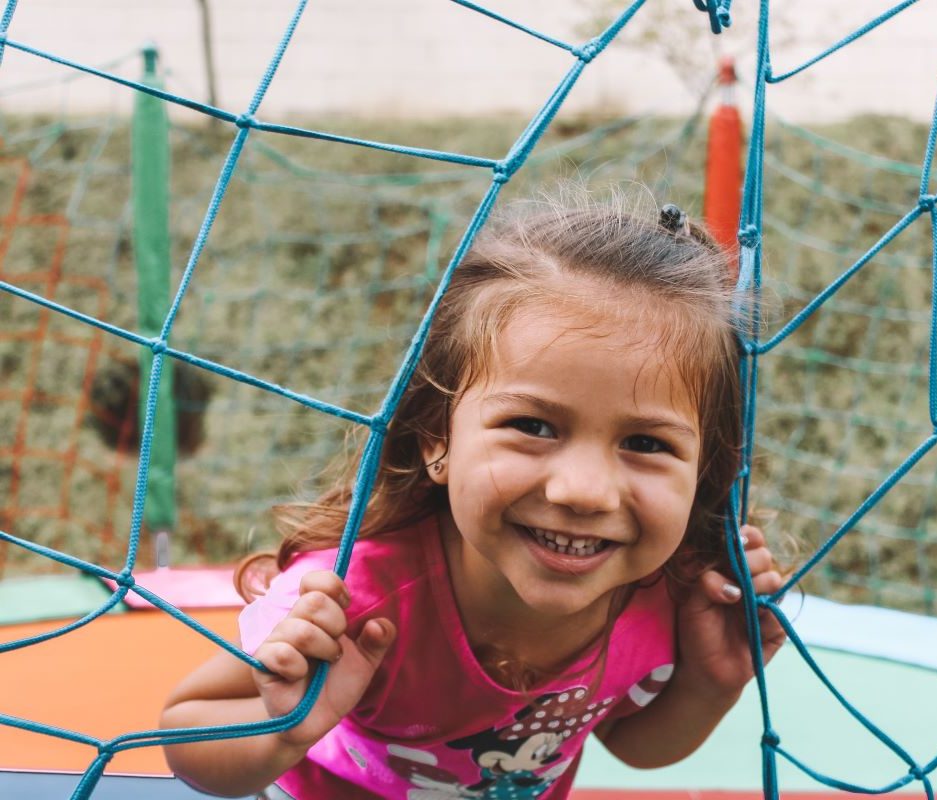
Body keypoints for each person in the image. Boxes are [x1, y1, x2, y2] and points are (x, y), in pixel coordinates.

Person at [160, 191, 787, 800]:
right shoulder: (353, 599)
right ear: (438, 439)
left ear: (704, 470)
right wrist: (283, 731)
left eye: (646, 443)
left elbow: (632, 746)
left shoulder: (670, 592)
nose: (584, 492)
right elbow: (187, 733)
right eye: (533, 427)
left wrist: (710, 681)